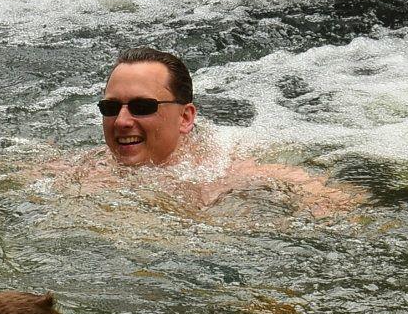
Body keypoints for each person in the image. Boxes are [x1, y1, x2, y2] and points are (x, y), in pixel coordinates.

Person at [94, 47, 362, 210]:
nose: (121, 121)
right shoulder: (91, 169)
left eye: (142, 106)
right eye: (110, 108)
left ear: (185, 118)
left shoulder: (224, 171)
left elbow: (340, 202)